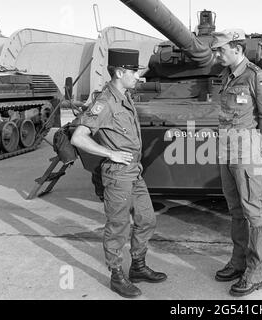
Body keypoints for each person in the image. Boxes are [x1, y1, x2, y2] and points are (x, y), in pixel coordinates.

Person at [71, 48, 167, 298]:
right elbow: (78, 137)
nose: (138, 76)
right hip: (117, 174)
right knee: (118, 226)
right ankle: (116, 275)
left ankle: (138, 266)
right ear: (120, 72)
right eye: (134, 72)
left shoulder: (125, 95)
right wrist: (109, 153)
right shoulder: (105, 102)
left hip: (134, 171)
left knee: (147, 219)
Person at [211, 29, 262, 297]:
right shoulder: (226, 76)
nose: (217, 54)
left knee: (253, 212)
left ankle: (255, 271)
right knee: (235, 209)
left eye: (221, 50)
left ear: (237, 49)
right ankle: (238, 261)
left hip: (245, 152)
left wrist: (256, 145)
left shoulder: (255, 77)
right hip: (226, 150)